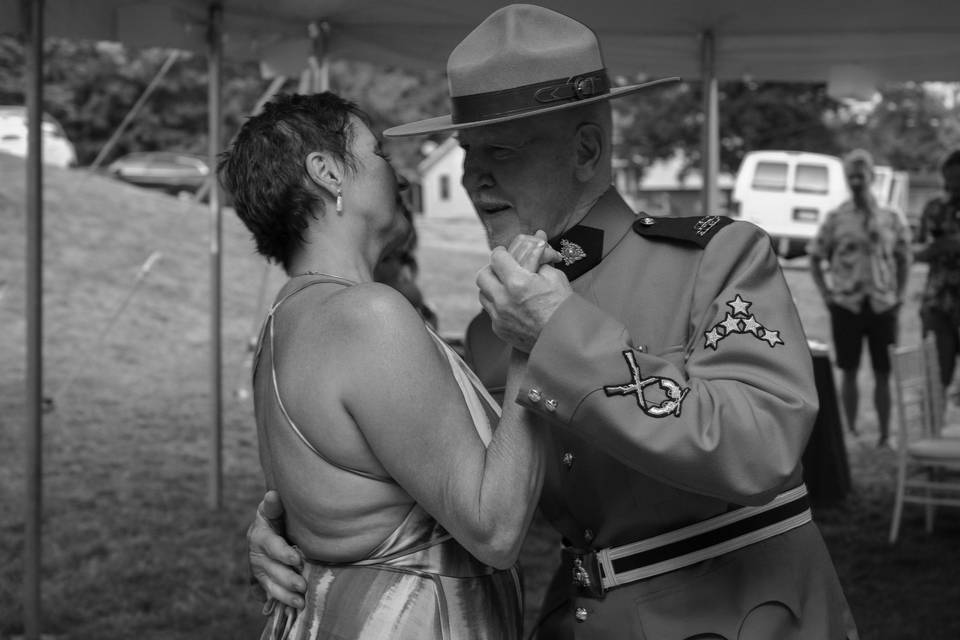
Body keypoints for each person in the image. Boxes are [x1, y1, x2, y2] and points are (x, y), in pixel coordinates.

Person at [248, 5, 859, 639]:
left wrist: (558, 333)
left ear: (587, 150)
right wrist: (300, 526)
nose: (472, 175)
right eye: (467, 150)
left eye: (502, 150)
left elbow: (764, 445)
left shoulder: (717, 258)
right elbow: (453, 487)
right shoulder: (493, 329)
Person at [219, 91, 562, 639]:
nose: (398, 176)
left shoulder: (284, 323)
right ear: (328, 171)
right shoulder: (369, 316)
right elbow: (494, 530)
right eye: (378, 152)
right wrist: (530, 339)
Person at [809, 149, 912, 447]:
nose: (856, 181)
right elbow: (815, 257)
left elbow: (905, 257)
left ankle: (884, 435)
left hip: (883, 304)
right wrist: (828, 295)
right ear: (846, 179)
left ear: (871, 177)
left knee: (883, 371)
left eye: (861, 175)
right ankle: (851, 432)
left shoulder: (891, 217)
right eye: (851, 175)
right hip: (846, 305)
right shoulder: (836, 218)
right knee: (849, 370)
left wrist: (900, 295)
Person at [915, 149, 960, 395]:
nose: (953, 187)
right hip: (938, 302)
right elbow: (914, 248)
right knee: (935, 375)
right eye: (949, 180)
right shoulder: (934, 207)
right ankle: (935, 428)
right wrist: (935, 248)